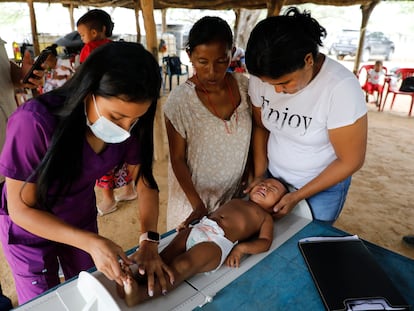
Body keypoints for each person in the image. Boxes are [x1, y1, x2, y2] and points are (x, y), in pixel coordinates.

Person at [0, 42, 173, 305]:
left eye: (134, 120)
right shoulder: (35, 122)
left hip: (79, 216)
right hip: (29, 230)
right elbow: (21, 209)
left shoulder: (130, 126)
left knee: (92, 290)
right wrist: (90, 242)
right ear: (88, 92)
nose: (126, 130)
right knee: (45, 302)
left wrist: (149, 240)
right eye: (116, 118)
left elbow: (145, 181)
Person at [244, 7, 367, 225]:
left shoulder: (341, 88)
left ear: (308, 60)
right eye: (269, 84)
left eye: (284, 83)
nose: (277, 91)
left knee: (306, 242)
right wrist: (261, 173)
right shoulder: (263, 77)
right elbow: (261, 127)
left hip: (320, 189)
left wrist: (297, 196)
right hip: (273, 175)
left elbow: (350, 160)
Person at [117, 177, 287, 307]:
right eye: (263, 183)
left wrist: (242, 248)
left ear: (278, 205)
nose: (265, 186)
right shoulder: (237, 200)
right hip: (201, 227)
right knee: (165, 256)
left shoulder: (265, 218)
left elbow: (265, 242)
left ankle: (139, 296)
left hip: (217, 243)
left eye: (273, 189)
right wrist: (190, 220)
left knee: (182, 265)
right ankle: (137, 279)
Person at [163, 16, 252, 231]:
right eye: (202, 62)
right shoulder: (179, 101)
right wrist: (197, 205)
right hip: (192, 202)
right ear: (189, 56)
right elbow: (176, 159)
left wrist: (249, 171)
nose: (212, 71)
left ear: (232, 52)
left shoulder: (244, 87)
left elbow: (256, 132)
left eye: (221, 61)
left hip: (233, 195)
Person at [77, 9, 137, 215]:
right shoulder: (115, 49)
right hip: (121, 106)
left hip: (101, 109)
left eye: (83, 34)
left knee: (101, 154)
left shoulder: (89, 50)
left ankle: (108, 200)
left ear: (95, 32)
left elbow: (84, 77)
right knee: (122, 152)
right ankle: (129, 189)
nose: (82, 39)